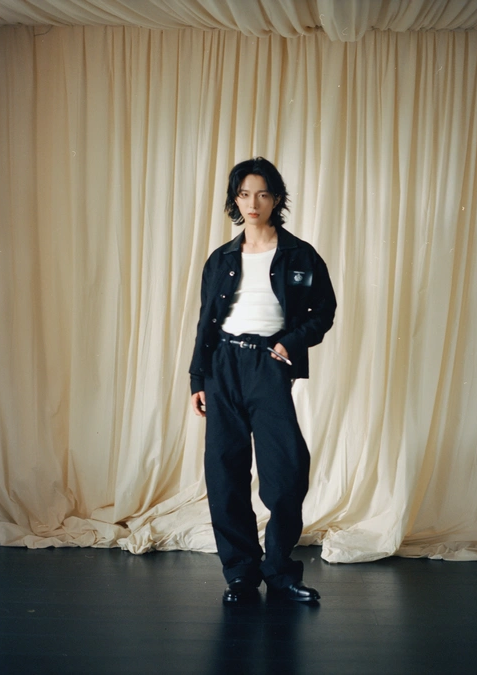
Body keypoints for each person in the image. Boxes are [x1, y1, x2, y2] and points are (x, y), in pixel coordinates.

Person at [189, 157, 336, 604]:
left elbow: (323, 312)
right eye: (244, 194)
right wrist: (197, 377)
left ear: (276, 199)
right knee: (225, 474)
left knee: (286, 472)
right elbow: (205, 323)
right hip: (222, 367)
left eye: (263, 194)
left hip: (268, 366)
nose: (253, 202)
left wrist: (289, 344)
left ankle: (280, 571)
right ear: (235, 200)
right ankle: (240, 575)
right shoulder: (221, 259)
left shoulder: (300, 254)